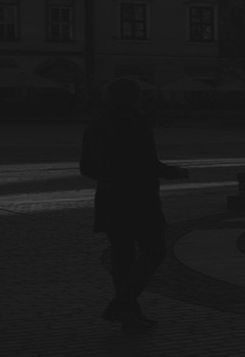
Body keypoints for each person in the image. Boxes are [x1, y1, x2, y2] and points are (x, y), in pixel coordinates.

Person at [80, 78, 189, 330]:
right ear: (133, 98)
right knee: (154, 250)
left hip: (110, 197)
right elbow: (147, 163)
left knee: (122, 256)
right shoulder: (137, 124)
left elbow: (86, 167)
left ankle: (128, 313)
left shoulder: (96, 126)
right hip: (140, 199)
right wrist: (176, 173)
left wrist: (109, 176)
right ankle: (124, 302)